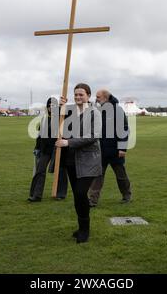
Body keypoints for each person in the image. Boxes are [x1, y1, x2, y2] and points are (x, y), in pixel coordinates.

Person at [56, 83, 102, 243]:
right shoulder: (70, 110)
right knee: (77, 195)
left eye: (81, 94)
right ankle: (81, 227)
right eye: (75, 95)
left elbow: (93, 136)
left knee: (81, 193)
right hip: (71, 160)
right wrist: (59, 106)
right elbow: (56, 118)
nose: (77, 97)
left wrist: (68, 143)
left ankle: (85, 230)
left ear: (88, 96)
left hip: (89, 160)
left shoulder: (94, 113)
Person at [88, 89, 131, 207]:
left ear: (106, 98)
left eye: (98, 97)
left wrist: (122, 148)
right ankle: (92, 200)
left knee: (121, 176)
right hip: (100, 150)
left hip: (115, 151)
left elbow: (124, 129)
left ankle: (126, 195)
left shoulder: (117, 110)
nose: (96, 99)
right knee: (97, 176)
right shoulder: (97, 110)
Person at [28, 97, 68, 202]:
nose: (51, 107)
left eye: (53, 105)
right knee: (40, 170)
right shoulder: (44, 118)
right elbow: (40, 135)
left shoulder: (61, 117)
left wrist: (62, 106)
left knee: (60, 171)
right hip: (45, 149)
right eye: (49, 105)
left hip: (58, 148)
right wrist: (37, 148)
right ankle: (36, 195)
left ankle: (60, 194)